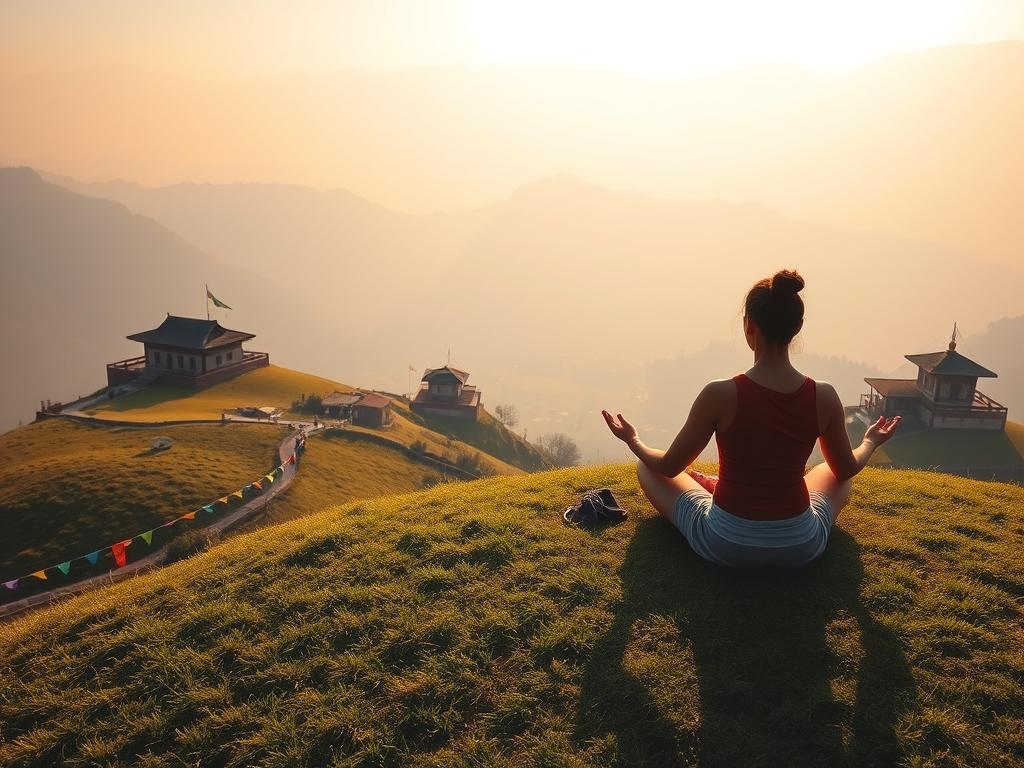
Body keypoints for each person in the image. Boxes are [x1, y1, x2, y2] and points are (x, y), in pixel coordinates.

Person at [602, 268, 901, 568]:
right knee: (831, 471)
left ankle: (719, 487)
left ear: (749, 326)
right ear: (797, 327)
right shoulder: (823, 396)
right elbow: (846, 469)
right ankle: (725, 487)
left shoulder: (720, 394)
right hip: (800, 545)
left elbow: (669, 466)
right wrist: (870, 442)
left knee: (647, 466)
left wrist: (633, 440)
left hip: (725, 542)